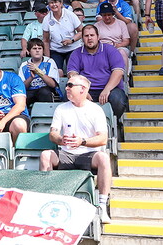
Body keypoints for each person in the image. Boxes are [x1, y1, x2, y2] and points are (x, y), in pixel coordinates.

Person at [39, 74, 113, 224]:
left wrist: (82, 141)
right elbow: (52, 133)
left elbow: (103, 138)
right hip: (66, 153)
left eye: (71, 85)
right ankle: (47, 201)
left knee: (104, 157)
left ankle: (102, 206)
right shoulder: (61, 108)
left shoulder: (96, 110)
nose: (66, 87)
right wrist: (61, 139)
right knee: (46, 155)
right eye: (67, 85)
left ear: (83, 89)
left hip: (88, 154)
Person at [41, 0, 83, 70]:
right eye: (51, 3)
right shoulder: (46, 19)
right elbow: (46, 40)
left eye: (56, 2)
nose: (54, 5)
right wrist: (47, 59)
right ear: (49, 5)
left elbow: (81, 31)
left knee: (72, 70)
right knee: (56, 72)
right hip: (56, 49)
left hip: (72, 48)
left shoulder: (70, 14)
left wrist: (71, 40)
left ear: (61, 3)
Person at [19, 38, 60, 105]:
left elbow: (53, 84)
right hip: (30, 91)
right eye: (34, 48)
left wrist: (38, 71)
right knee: (22, 97)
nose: (37, 51)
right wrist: (31, 78)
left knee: (43, 92)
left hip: (47, 90)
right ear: (29, 51)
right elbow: (22, 87)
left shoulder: (49, 62)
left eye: (40, 48)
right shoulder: (24, 65)